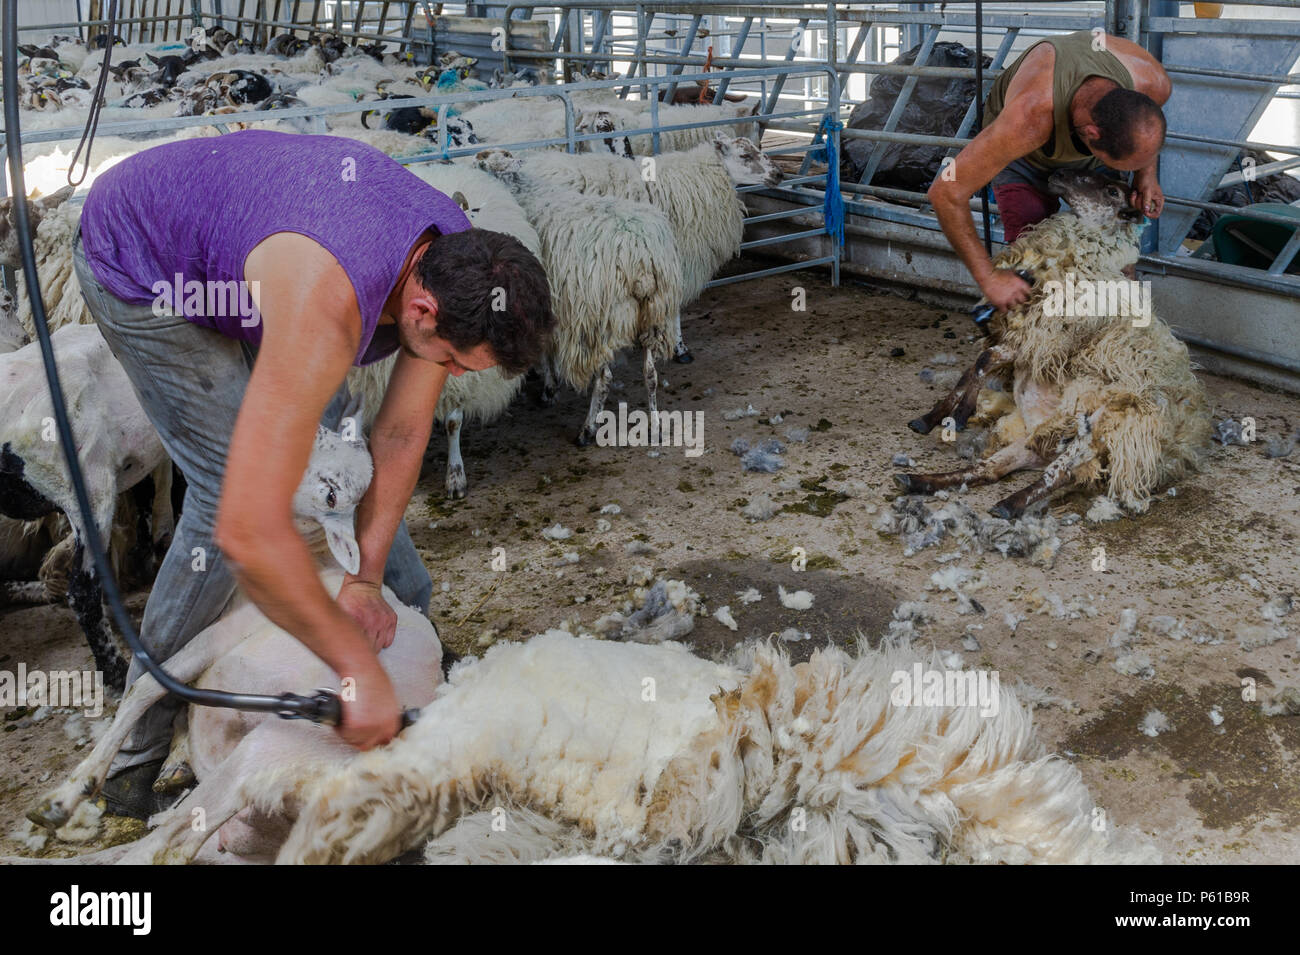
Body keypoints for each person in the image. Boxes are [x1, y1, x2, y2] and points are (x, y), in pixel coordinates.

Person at [72, 129, 554, 817]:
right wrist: (355, 671)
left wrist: (366, 577)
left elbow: (400, 429)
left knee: (341, 477)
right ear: (421, 311)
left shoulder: (453, 263)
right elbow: (247, 530)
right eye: (451, 362)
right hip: (145, 262)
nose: (447, 376)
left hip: (258, 255)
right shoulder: (330, 302)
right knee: (221, 488)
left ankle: (412, 652)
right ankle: (132, 759)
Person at [928, 30, 1171, 312]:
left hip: (1093, 141)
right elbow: (945, 192)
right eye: (1122, 165)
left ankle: (1112, 325)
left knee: (1117, 247)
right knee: (1031, 257)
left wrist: (1145, 175)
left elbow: (1146, 130)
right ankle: (1033, 339)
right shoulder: (1028, 118)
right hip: (1025, 157)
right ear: (1091, 134)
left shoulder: (1153, 82)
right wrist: (989, 278)